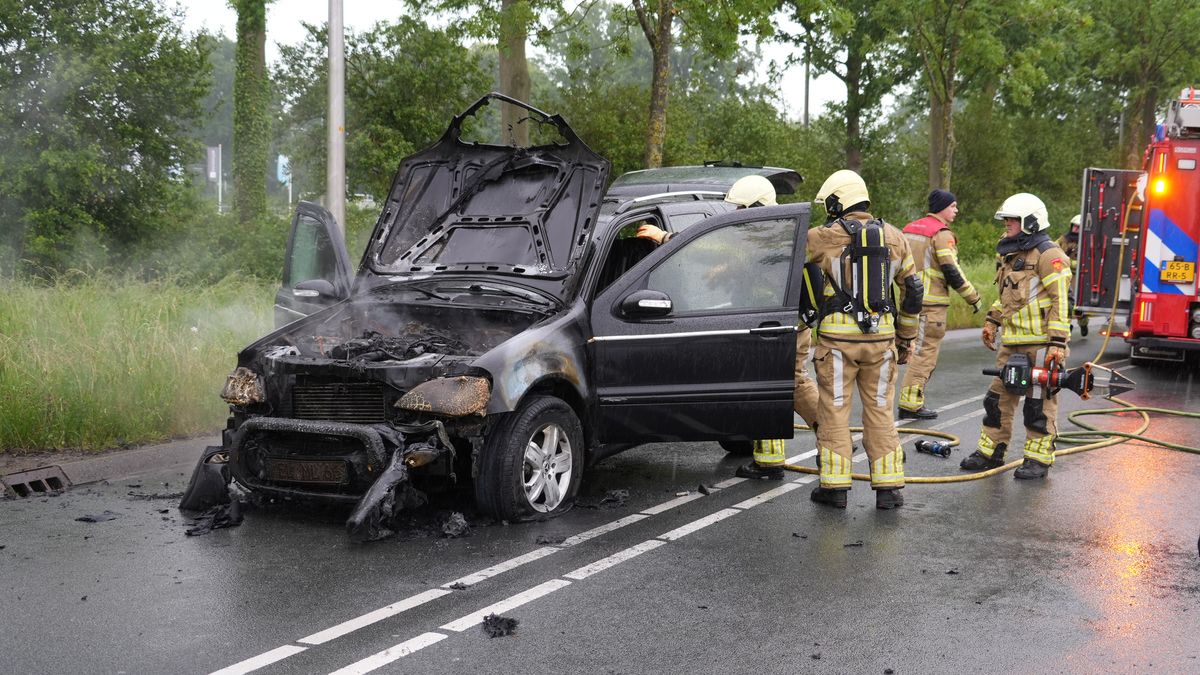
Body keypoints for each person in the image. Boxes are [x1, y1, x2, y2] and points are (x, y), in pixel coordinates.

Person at [637, 175, 819, 480]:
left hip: (771, 328)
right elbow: (741, 261)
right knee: (784, 385)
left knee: (780, 386)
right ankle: (811, 445)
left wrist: (665, 237)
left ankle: (796, 451)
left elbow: (707, 247)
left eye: (741, 208)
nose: (736, 214)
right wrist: (726, 269)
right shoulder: (780, 231)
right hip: (783, 326)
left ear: (757, 205)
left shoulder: (761, 235)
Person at [805, 170, 923, 509]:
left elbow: (783, 257)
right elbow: (913, 290)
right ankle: (888, 490)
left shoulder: (824, 236)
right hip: (882, 342)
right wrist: (906, 337)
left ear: (837, 201)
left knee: (835, 411)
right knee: (880, 410)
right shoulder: (897, 237)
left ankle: (835, 489)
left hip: (837, 344)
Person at [960, 193, 1072, 480]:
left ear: (1031, 222)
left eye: (1012, 219)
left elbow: (1061, 302)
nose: (1007, 224)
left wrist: (1058, 344)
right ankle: (991, 452)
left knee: (1037, 405)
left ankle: (1037, 459)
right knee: (996, 400)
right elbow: (1009, 298)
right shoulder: (1011, 256)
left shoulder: (1050, 256)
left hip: (1041, 345)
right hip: (1011, 345)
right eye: (1007, 219)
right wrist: (991, 321)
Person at [897, 189, 983, 420]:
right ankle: (910, 404)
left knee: (907, 349)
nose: (956, 210)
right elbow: (951, 270)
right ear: (942, 207)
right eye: (953, 206)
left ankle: (904, 400)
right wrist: (972, 297)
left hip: (908, 300)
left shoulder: (909, 229)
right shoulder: (942, 234)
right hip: (931, 304)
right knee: (925, 354)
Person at [1056, 214, 1089, 336]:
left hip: (1079, 277)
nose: (1075, 229)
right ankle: (1067, 325)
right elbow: (1053, 250)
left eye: (1078, 227)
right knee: (1066, 302)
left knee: (1079, 305)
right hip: (1064, 275)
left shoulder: (1085, 242)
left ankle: (1083, 323)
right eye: (1074, 226)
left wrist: (1070, 263)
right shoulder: (1063, 239)